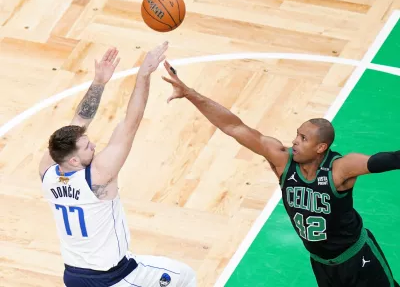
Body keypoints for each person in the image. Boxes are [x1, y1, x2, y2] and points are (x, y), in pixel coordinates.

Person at [161, 60, 399, 287]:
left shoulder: (340, 169)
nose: (294, 141)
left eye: (303, 139)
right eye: (297, 134)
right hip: (322, 264)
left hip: (358, 259)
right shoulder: (283, 161)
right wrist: (190, 93)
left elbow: (388, 160)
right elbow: (233, 126)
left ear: (321, 148)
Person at [39, 44, 196, 287]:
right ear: (73, 160)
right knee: (184, 276)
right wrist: (144, 74)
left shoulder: (48, 170)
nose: (93, 146)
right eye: (87, 147)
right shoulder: (99, 176)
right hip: (114, 277)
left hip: (73, 276)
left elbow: (79, 120)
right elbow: (131, 122)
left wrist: (99, 82)